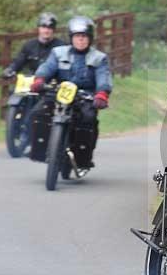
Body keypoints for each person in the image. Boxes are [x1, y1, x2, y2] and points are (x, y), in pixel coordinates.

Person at [29, 16, 112, 167]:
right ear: (71, 37)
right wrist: (40, 80)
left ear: (90, 38)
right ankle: (39, 151)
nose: (80, 39)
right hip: (60, 92)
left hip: (85, 96)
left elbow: (103, 77)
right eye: (77, 36)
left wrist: (102, 93)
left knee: (88, 118)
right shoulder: (58, 53)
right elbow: (47, 67)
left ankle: (82, 160)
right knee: (38, 112)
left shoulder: (99, 58)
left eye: (84, 36)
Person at [2, 12, 65, 78]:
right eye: (43, 27)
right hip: (33, 80)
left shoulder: (61, 46)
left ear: (54, 29)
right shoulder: (29, 45)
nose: (46, 30)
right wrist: (10, 69)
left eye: (49, 28)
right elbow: (18, 62)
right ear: (38, 28)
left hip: (53, 81)